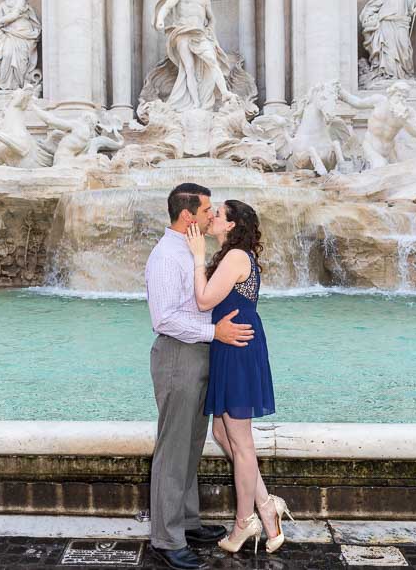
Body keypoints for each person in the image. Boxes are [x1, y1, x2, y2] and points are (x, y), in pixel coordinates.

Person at [145, 183, 256, 570]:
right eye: (208, 209)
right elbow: (164, 319)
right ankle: (166, 537)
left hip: (202, 352)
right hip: (179, 354)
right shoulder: (165, 257)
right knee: (173, 447)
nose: (212, 216)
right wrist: (215, 333)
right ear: (189, 215)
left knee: (192, 443)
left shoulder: (192, 251)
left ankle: (187, 522)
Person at [185, 200, 293, 555]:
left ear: (231, 226)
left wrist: (198, 255)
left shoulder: (234, 258)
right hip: (233, 344)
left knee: (241, 443)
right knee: (221, 431)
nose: (212, 216)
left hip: (237, 348)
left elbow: (203, 301)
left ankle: (243, 523)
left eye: (218, 214)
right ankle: (266, 504)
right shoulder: (235, 255)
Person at [153, 0, 234, 111]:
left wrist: (210, 29)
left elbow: (212, 19)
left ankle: (224, 93)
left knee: (212, 61)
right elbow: (167, 7)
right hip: (182, 33)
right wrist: (160, 19)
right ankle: (196, 103)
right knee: (188, 68)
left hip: (200, 34)